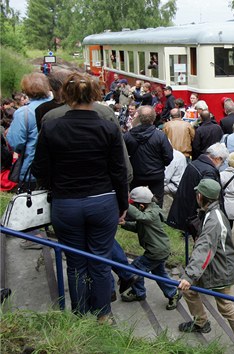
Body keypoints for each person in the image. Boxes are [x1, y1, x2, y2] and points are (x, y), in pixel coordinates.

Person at [32, 72, 128, 323]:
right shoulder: (108, 127)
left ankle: (80, 315)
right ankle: (103, 315)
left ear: (66, 95)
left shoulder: (51, 126)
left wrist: (56, 184)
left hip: (66, 203)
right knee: (99, 260)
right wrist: (122, 204)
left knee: (75, 262)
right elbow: (118, 170)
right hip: (103, 201)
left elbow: (39, 169)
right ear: (95, 95)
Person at [177, 179, 234, 353]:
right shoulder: (213, 212)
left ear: (200, 197)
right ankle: (201, 322)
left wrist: (189, 276)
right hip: (216, 266)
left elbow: (204, 249)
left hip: (220, 270)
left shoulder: (213, 220)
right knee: (190, 291)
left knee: (225, 305)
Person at [119, 187, 182, 310]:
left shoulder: (152, 213)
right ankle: (172, 293)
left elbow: (140, 217)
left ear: (141, 206)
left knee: (135, 269)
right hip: (158, 250)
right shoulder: (147, 213)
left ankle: (139, 293)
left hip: (156, 252)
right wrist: (125, 224)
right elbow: (138, 227)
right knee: (159, 273)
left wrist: (124, 202)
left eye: (135, 206)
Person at [166, 142, 228, 232]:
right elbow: (209, 196)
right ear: (218, 159)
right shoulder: (209, 171)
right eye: (222, 162)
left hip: (184, 211)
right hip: (195, 215)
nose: (221, 165)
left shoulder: (195, 163)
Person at [7, 73, 51, 188]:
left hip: (32, 168)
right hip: (59, 169)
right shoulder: (59, 106)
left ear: (26, 91)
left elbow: (16, 142)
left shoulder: (23, 113)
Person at [124, 105, 173, 207]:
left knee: (134, 198)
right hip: (155, 173)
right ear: (154, 118)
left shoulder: (128, 136)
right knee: (157, 200)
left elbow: (123, 156)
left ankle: (134, 218)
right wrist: (160, 164)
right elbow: (168, 157)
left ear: (139, 118)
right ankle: (156, 218)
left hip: (136, 173)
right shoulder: (160, 136)